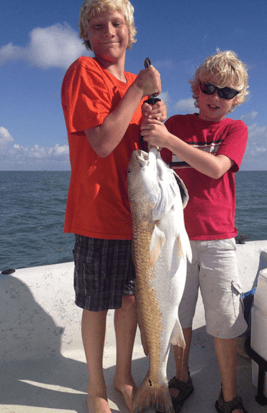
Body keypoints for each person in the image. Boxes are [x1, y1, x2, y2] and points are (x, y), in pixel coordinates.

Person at [61, 1, 167, 413]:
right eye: (98, 25)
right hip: (96, 213)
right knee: (96, 305)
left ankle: (123, 373)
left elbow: (145, 152)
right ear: (86, 35)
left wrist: (154, 121)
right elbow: (103, 143)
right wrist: (139, 90)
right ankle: (96, 386)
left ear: (131, 31)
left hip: (138, 217)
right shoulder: (82, 72)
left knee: (128, 301)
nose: (108, 31)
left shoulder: (133, 88)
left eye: (117, 22)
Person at [140, 50, 249, 413]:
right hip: (175, 242)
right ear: (196, 89)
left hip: (219, 242)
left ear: (236, 100)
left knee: (225, 323)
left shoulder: (236, 129)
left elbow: (218, 169)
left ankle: (228, 396)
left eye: (227, 92)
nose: (216, 97)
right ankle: (180, 379)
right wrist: (153, 126)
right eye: (209, 87)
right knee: (178, 316)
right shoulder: (178, 125)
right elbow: (153, 169)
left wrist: (169, 140)